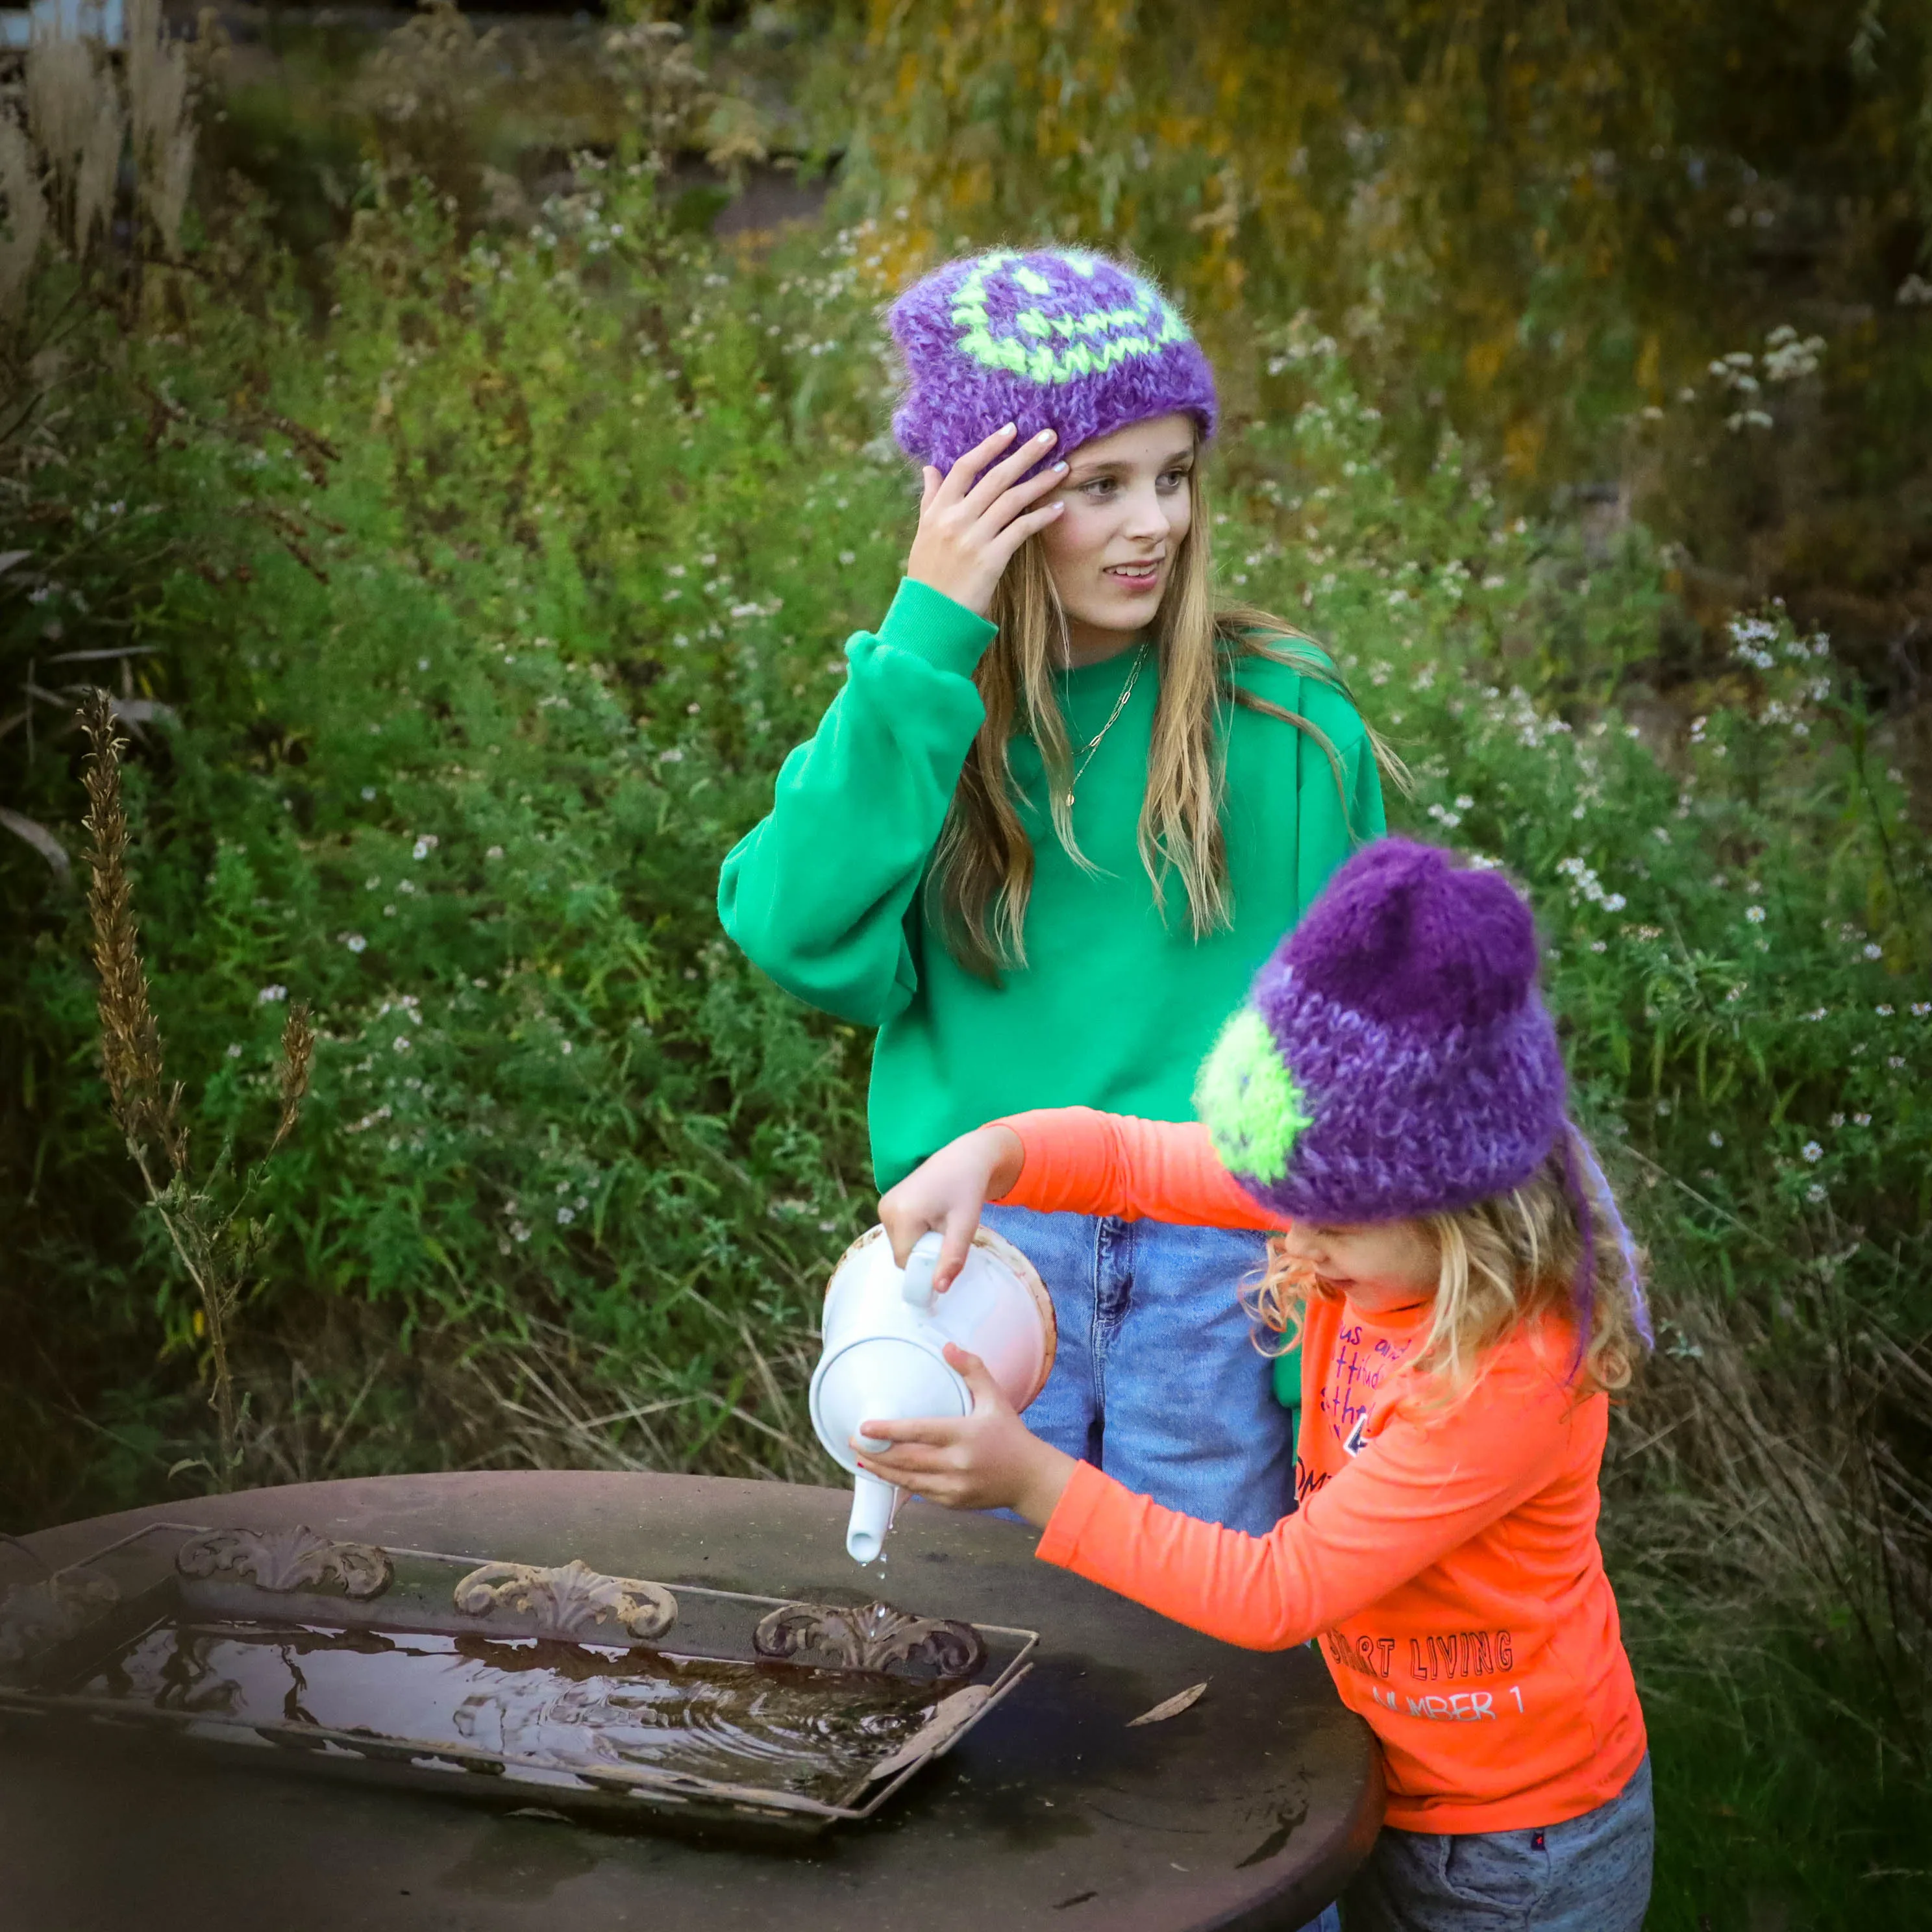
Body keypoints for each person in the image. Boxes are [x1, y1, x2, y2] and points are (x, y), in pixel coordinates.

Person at [855, 838, 1656, 1932]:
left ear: (1464, 1210)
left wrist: (1035, 1481)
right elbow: (1134, 1161)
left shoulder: (1503, 1379)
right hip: (1381, 1773)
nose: (1292, 1235)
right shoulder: (1335, 1186)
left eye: (1326, 1223)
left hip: (1514, 1844)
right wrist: (990, 1154)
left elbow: (1277, 1593)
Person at [719, 246, 1394, 1533]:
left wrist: (1335, 1348)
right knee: (971, 1655)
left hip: (1225, 1274)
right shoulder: (927, 716)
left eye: (1175, 476)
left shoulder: (1287, 720)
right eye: (1101, 485)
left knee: (1195, 1661)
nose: (1158, 523)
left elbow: (1350, 1059)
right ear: (991, 503)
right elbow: (791, 929)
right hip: (983, 1257)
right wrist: (930, 619)